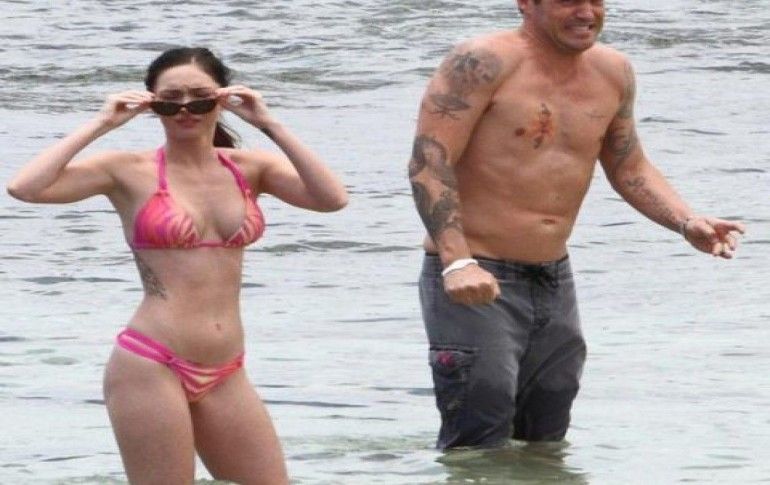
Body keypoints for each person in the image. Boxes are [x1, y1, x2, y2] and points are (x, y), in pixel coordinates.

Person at [407, 0, 746, 450]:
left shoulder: (614, 71)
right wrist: (456, 261)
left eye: (596, 0)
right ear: (526, 3)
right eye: (569, 0)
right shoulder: (481, 62)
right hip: (477, 275)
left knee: (546, 440)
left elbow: (628, 165)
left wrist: (685, 221)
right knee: (478, 442)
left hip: (554, 280)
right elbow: (430, 162)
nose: (586, 12)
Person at [7, 47, 347, 484]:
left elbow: (331, 199)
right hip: (151, 363)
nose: (185, 109)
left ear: (222, 98)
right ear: (152, 105)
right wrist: (102, 123)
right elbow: (26, 188)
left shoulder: (250, 169)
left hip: (227, 369)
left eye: (200, 98)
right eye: (170, 101)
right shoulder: (126, 170)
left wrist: (269, 123)